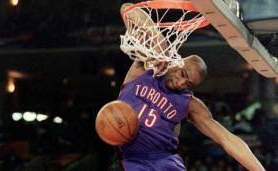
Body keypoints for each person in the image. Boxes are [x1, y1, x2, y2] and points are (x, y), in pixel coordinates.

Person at [112, 3, 265, 171]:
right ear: (177, 61)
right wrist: (156, 39)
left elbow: (227, 139)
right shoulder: (145, 67)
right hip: (129, 159)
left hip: (164, 161)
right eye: (183, 74)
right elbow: (128, 9)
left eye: (189, 84)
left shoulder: (189, 103)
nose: (182, 83)